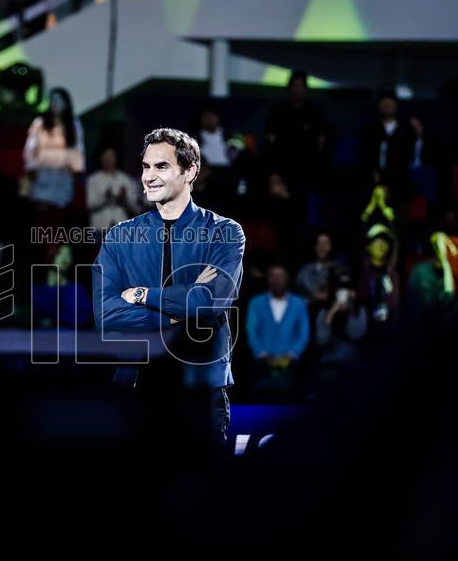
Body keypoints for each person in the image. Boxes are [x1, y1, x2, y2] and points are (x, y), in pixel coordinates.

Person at [91, 128, 246, 444]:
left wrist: (142, 295)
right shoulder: (120, 236)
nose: (149, 176)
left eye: (161, 166)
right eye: (146, 167)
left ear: (191, 171)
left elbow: (206, 304)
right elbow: (105, 314)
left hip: (201, 387)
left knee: (205, 491)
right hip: (135, 385)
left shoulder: (225, 232)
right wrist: (175, 315)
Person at [245, 265, 310, 397]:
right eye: (273, 276)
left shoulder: (299, 303)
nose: (276, 280)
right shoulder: (256, 303)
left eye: (280, 276)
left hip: (291, 365)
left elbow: (303, 333)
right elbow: (251, 331)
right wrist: (262, 354)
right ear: (268, 279)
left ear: (287, 279)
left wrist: (291, 355)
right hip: (262, 365)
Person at [23, 87, 85, 211]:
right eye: (53, 100)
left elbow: (78, 150)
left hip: (63, 178)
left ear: (66, 104)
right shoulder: (39, 123)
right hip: (42, 177)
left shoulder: (74, 125)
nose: (55, 103)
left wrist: (74, 169)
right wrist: (32, 169)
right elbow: (29, 148)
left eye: (59, 100)